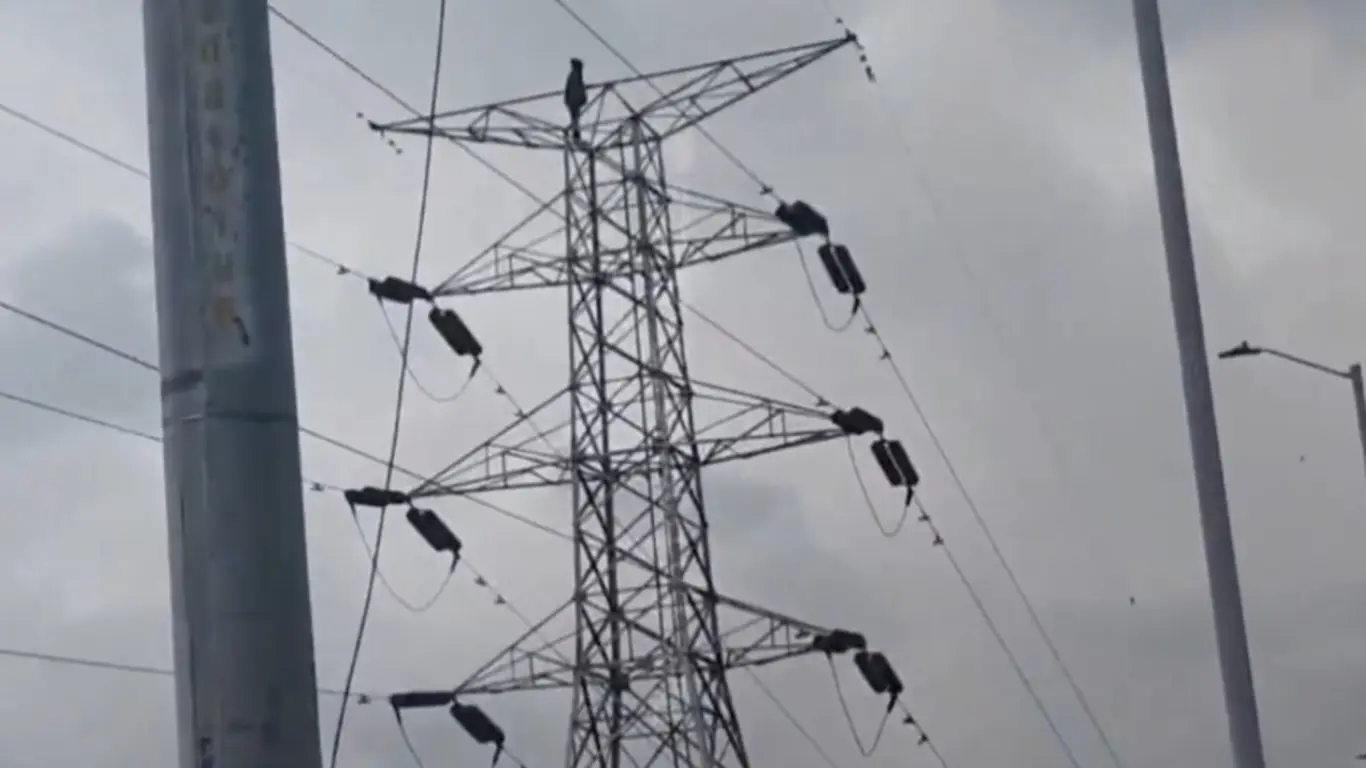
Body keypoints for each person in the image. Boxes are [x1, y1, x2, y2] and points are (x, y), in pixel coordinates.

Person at [564, 58, 587, 143]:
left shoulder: (575, 74)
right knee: (575, 117)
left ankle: (576, 133)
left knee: (575, 117)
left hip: (573, 100)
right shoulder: (575, 74)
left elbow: (574, 87)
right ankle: (576, 133)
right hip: (574, 100)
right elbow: (576, 87)